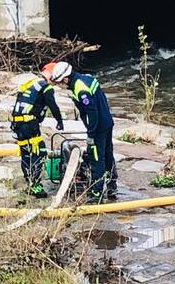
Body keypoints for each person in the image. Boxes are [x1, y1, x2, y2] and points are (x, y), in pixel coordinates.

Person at [50, 61, 117, 203]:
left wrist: (91, 134)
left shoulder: (80, 89)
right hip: (107, 122)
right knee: (107, 154)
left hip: (98, 127)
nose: (61, 85)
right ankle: (112, 185)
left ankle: (96, 193)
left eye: (60, 82)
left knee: (96, 158)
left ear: (66, 78)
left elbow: (92, 113)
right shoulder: (86, 78)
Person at [10, 63, 64, 198]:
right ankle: (35, 186)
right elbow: (53, 105)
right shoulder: (46, 87)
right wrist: (59, 121)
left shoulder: (31, 83)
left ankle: (29, 183)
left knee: (25, 153)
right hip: (29, 124)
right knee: (38, 151)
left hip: (18, 123)